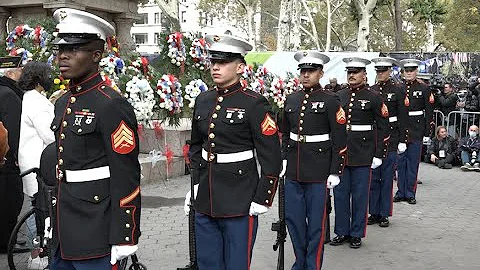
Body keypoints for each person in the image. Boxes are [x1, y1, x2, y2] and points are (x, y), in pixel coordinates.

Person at [50, 8, 141, 269]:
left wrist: (126, 234)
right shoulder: (64, 102)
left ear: (96, 55)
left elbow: (126, 173)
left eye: (74, 49)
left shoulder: (111, 105)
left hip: (96, 225)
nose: (63, 56)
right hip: (64, 225)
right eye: (60, 49)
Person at [185, 34, 281, 270]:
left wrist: (263, 197)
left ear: (240, 67)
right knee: (208, 262)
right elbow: (197, 146)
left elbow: (271, 154)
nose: (216, 67)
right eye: (213, 62)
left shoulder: (254, 103)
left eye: (224, 62)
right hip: (206, 195)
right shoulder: (204, 100)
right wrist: (195, 184)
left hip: (240, 196)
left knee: (236, 263)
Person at [280, 51, 347, 269]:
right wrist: (282, 160)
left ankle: (313, 264)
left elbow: (339, 137)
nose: (306, 75)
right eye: (303, 71)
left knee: (316, 224)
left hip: (319, 170)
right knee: (294, 221)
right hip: (294, 169)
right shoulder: (292, 99)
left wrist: (335, 170)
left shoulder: (330, 100)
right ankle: (300, 261)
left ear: (321, 73)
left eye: (311, 71)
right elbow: (285, 132)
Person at [331, 57, 389, 249]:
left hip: (363, 153)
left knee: (359, 195)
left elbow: (382, 127)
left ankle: (356, 233)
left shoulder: (373, 96)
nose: (352, 76)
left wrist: (379, 154)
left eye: (356, 72)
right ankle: (341, 231)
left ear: (364, 74)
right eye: (349, 72)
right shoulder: (339, 95)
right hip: (342, 153)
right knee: (340, 194)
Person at [368, 57, 408, 228]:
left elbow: (403, 116)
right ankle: (374, 212)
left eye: (383, 71)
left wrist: (402, 140)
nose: (380, 74)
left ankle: (384, 213)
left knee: (386, 177)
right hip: (374, 137)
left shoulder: (398, 90)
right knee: (373, 178)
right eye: (378, 71)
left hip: (390, 137)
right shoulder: (371, 90)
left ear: (390, 71)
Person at [394, 59, 434, 205]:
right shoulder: (398, 88)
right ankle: (400, 191)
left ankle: (410, 193)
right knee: (400, 163)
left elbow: (429, 112)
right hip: (401, 130)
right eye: (406, 71)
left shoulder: (424, 88)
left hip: (416, 130)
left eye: (412, 70)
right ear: (403, 72)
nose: (409, 73)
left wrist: (427, 133)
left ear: (416, 71)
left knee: (412, 163)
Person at [18, 61, 56, 198]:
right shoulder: (37, 102)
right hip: (38, 161)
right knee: (40, 206)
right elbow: (49, 135)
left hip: (31, 160)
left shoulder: (30, 98)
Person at [0, 56, 23, 254]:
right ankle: (6, 242)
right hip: (6, 161)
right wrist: (16, 157)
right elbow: (14, 130)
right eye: (19, 70)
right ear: (9, 73)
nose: (22, 73)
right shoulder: (8, 94)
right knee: (9, 200)